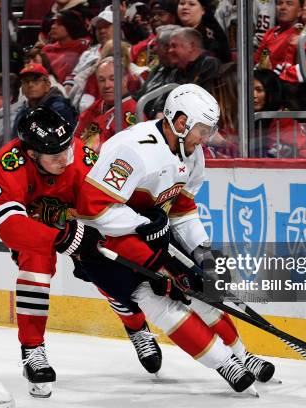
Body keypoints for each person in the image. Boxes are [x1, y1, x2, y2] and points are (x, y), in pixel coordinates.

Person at [75, 84, 276, 393]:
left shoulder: (192, 153)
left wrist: (202, 250)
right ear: (181, 123)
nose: (207, 138)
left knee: (202, 291)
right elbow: (92, 211)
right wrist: (143, 224)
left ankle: (242, 355)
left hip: (150, 233)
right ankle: (225, 363)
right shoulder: (132, 150)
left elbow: (182, 209)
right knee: (156, 300)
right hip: (107, 242)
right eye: (203, 130)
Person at [0, 106, 163, 398]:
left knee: (106, 269)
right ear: (31, 154)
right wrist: (62, 236)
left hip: (81, 221)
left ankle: (136, 326)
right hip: (37, 231)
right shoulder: (4, 168)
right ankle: (32, 350)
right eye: (56, 156)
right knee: (34, 266)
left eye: (68, 150)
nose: (66, 159)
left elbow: (106, 207)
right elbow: (10, 227)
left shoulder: (81, 158)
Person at [73, 57, 137, 152]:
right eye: (102, 80)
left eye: (113, 79)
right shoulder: (96, 106)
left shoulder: (133, 114)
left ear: (125, 79)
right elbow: (76, 138)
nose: (107, 85)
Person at [254, 69, 306, 158]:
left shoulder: (283, 119)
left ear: (271, 93)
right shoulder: (247, 117)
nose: (254, 95)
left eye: (259, 90)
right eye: (250, 90)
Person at [12, 63, 77, 137]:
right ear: (22, 88)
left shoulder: (59, 108)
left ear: (47, 85)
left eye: (36, 81)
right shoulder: (22, 112)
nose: (30, 85)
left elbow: (65, 140)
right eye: (26, 81)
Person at [135, 24, 180, 119]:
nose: (154, 50)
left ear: (168, 48)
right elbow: (139, 96)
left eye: (157, 45)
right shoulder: (158, 69)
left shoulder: (181, 73)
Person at [41, 10, 91, 83]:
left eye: (59, 24)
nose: (53, 26)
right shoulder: (47, 49)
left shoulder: (83, 47)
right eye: (53, 23)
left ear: (70, 25)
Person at [254, 0, 303, 72]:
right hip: (261, 76)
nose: (282, 7)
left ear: (299, 12)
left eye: (289, 4)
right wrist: (262, 64)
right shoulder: (271, 33)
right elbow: (260, 59)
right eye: (280, 3)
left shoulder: (299, 33)